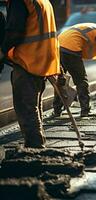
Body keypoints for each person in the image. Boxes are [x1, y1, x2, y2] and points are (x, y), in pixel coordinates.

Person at [0, 0, 60, 148]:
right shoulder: (42, 1)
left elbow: (15, 30)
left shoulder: (19, 1)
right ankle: (38, 143)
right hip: (42, 58)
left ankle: (35, 147)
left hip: (29, 59)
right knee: (33, 104)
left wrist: (2, 50)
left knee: (25, 105)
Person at [53, 20, 96, 117]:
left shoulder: (94, 28)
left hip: (57, 47)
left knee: (61, 80)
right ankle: (85, 110)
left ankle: (56, 110)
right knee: (81, 81)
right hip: (71, 49)